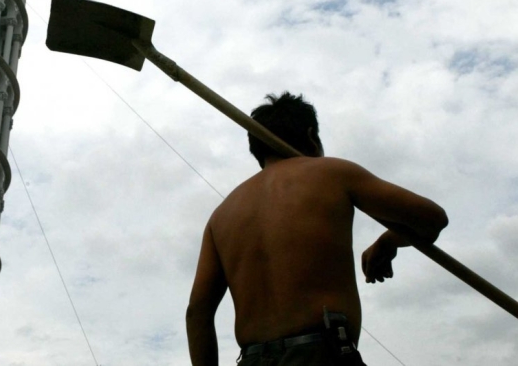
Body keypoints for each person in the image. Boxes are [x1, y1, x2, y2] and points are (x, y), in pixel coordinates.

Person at [185, 92, 448, 366]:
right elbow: (432, 219)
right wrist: (389, 242)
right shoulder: (331, 173)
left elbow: (198, 313)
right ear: (312, 136)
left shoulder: (221, 216)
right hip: (323, 355)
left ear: (256, 147)